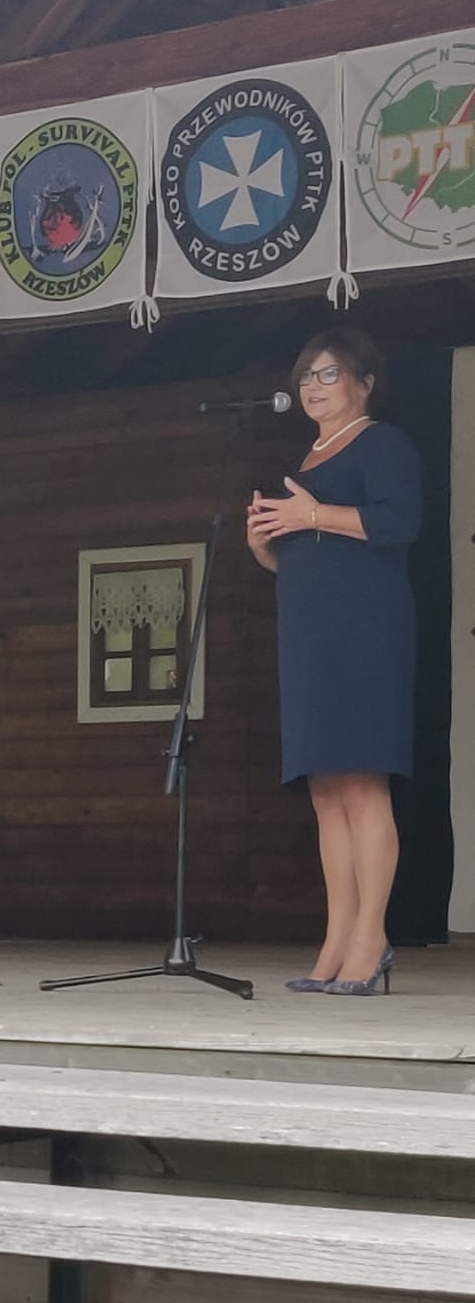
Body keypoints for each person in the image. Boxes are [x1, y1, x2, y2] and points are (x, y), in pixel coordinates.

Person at [247, 329, 422, 998]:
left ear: (365, 383)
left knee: (362, 783)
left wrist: (312, 513)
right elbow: (306, 560)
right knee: (324, 790)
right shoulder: (307, 459)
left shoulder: (383, 444)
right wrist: (265, 543)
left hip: (366, 632)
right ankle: (336, 937)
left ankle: (371, 939)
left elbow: (399, 523)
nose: (314, 387)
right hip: (310, 637)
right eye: (306, 376)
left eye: (329, 374)